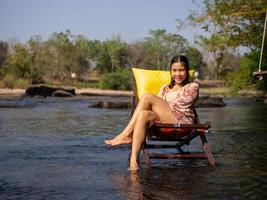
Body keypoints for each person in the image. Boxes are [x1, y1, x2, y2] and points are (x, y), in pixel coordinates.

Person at [105, 55, 199, 171]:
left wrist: (158, 104)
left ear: (186, 71)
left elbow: (179, 107)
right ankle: (133, 161)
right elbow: (156, 108)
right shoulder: (165, 88)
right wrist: (157, 106)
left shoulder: (192, 87)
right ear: (170, 71)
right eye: (174, 70)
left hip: (182, 122)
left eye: (181, 70)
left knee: (146, 97)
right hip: (164, 121)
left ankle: (126, 134)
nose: (177, 74)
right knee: (144, 114)